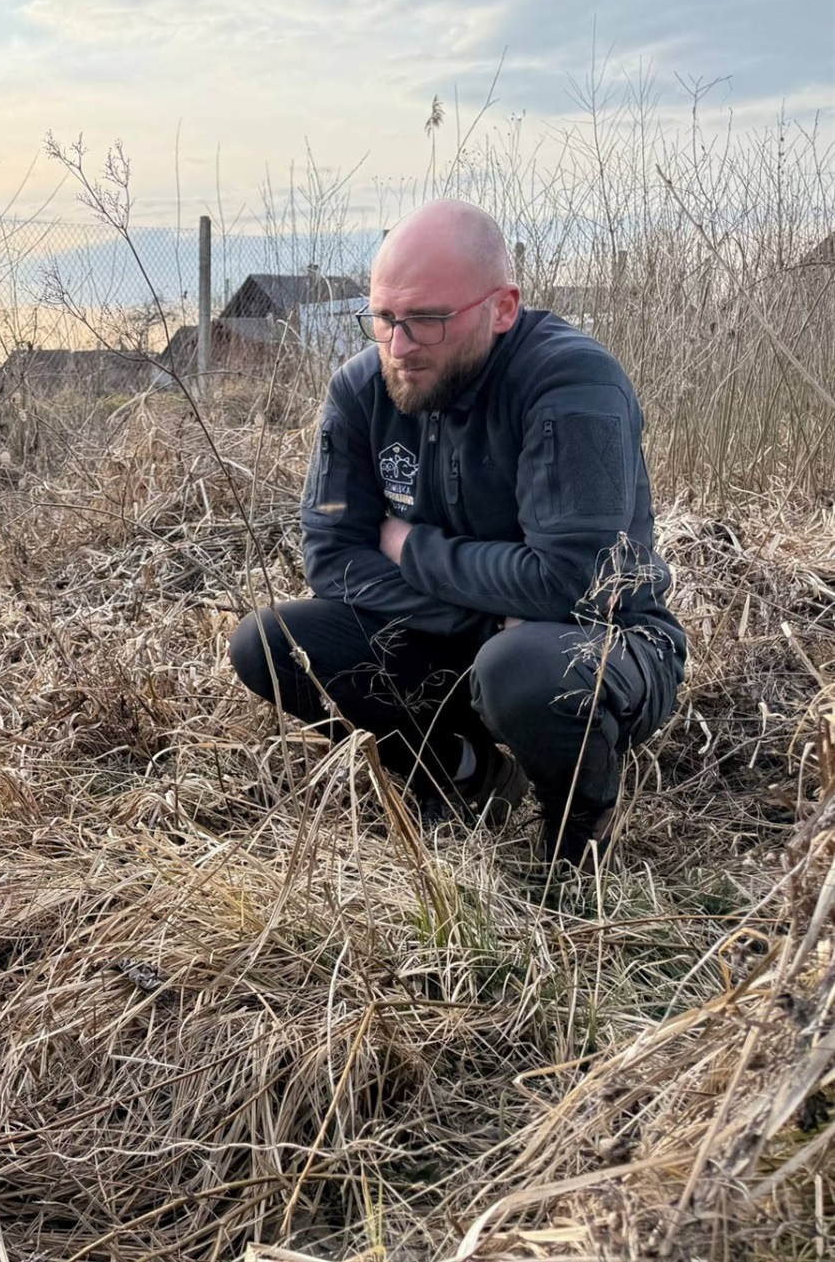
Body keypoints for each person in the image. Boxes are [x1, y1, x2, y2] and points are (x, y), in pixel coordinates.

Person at [228, 198, 685, 867]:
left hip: (606, 639)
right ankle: (464, 772)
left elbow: (574, 584)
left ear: (502, 307)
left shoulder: (572, 382)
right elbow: (331, 557)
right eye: (384, 318)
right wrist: (477, 616)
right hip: (460, 635)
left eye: (428, 320)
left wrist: (412, 546)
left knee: (523, 668)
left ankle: (577, 838)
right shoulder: (361, 391)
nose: (400, 346)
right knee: (270, 643)